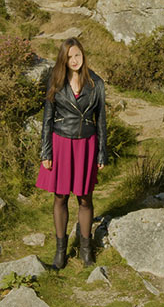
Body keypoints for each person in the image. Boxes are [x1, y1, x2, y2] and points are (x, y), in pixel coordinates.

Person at [36, 38, 108, 269]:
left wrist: (101, 154)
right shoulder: (55, 82)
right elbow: (47, 119)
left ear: (83, 55)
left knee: (85, 197)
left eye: (77, 55)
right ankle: (60, 254)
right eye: (69, 57)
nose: (74, 61)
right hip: (61, 143)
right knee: (60, 197)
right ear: (63, 60)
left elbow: (101, 121)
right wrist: (46, 152)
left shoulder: (96, 83)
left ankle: (86, 252)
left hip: (86, 144)